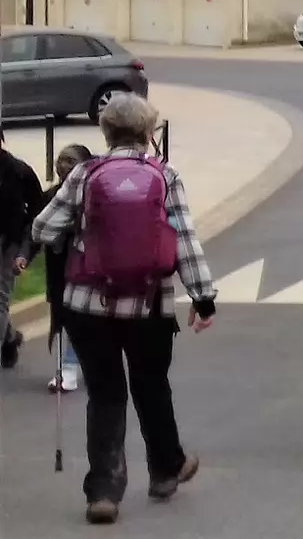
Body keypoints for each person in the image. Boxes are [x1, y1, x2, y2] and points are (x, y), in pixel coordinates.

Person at [29, 94, 216, 525]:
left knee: (105, 395)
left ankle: (104, 492)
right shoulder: (165, 175)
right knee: (152, 386)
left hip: (87, 306)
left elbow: (43, 228)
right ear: (149, 133)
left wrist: (78, 235)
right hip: (149, 306)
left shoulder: (84, 174)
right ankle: (165, 470)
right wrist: (203, 297)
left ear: (106, 131)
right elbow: (185, 242)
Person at [15, 144, 96, 393]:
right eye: (62, 164)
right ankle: (66, 368)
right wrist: (24, 255)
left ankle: (79, 365)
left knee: (86, 320)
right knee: (63, 319)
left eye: (70, 164)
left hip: (89, 267)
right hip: (60, 267)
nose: (64, 169)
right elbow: (35, 229)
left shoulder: (97, 197)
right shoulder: (51, 197)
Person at [0, 128, 51, 369]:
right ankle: (9, 338)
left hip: (7, 244)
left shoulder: (18, 172)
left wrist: (24, 251)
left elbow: (37, 213)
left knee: (0, 296)